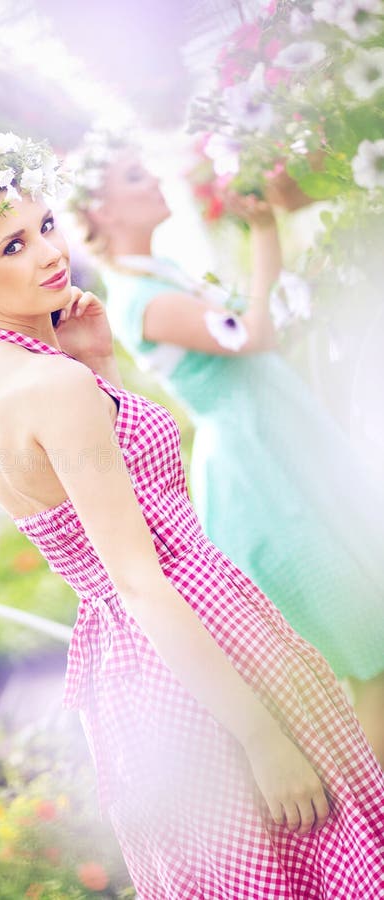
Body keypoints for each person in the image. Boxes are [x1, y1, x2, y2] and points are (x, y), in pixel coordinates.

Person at [0, 128, 384, 900]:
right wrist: (261, 737)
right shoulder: (48, 389)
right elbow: (140, 576)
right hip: (194, 642)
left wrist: (99, 367)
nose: (48, 253)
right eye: (13, 245)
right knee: (322, 862)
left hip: (129, 671)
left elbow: (96, 518)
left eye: (47, 226)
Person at [68, 131, 384, 766]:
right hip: (265, 478)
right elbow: (255, 334)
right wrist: (263, 233)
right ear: (103, 210)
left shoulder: (160, 274)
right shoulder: (142, 299)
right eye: (135, 176)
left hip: (288, 448)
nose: (155, 181)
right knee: (366, 653)